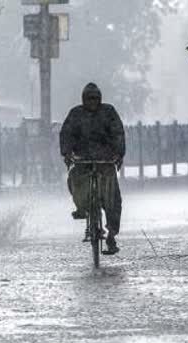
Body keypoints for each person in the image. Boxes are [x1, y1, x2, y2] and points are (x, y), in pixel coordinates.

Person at [60, 83, 126, 255]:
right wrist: (67, 153)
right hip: (82, 159)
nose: (92, 102)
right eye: (89, 99)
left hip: (105, 160)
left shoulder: (108, 112)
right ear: (83, 99)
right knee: (74, 180)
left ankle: (111, 234)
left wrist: (118, 153)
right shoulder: (76, 114)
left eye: (95, 98)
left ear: (100, 98)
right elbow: (66, 134)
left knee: (113, 198)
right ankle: (82, 208)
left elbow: (118, 133)